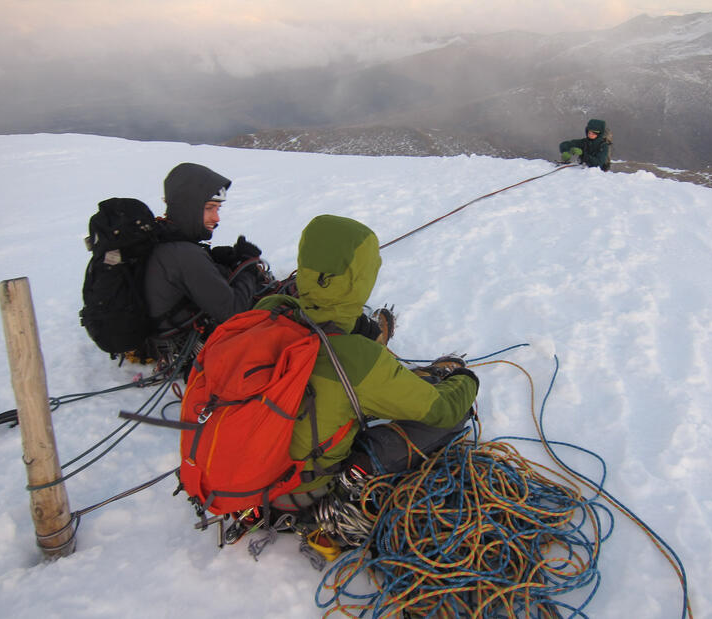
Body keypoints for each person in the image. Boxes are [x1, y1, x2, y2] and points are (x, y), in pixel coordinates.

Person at [253, 214, 479, 512]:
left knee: (348, 391)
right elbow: (442, 410)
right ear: (360, 278)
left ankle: (398, 383)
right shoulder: (355, 360)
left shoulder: (270, 311)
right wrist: (466, 380)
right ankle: (415, 384)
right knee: (454, 412)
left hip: (238, 470)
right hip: (295, 488)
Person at [143, 162, 268, 350]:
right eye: (209, 208)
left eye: (217, 209)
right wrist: (247, 268)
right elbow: (234, 312)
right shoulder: (185, 254)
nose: (216, 218)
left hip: (161, 333)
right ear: (188, 207)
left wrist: (213, 259)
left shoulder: (162, 236)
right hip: (182, 345)